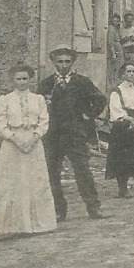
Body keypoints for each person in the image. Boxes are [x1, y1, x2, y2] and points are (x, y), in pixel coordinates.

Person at [0, 63, 57, 236]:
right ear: (13, 80)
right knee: (12, 181)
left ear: (30, 79)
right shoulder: (5, 100)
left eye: (25, 78)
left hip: (34, 142)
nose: (22, 82)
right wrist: (15, 140)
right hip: (12, 144)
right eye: (18, 79)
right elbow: (0, 124)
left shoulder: (38, 99)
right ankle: (10, 226)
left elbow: (44, 121)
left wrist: (34, 138)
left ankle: (40, 224)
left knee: (35, 180)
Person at [38, 45, 107, 221]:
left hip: (76, 134)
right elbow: (36, 109)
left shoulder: (82, 82)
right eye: (60, 61)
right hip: (53, 135)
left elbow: (100, 100)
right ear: (53, 62)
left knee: (83, 171)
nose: (63, 65)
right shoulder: (46, 84)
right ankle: (58, 210)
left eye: (67, 62)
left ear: (72, 63)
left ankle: (93, 207)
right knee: (52, 173)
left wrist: (88, 115)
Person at [105, 61, 134, 198]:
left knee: (130, 157)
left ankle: (126, 184)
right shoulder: (117, 90)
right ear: (122, 74)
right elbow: (115, 108)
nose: (131, 74)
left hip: (133, 127)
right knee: (120, 158)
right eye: (129, 71)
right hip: (121, 127)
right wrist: (128, 119)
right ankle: (121, 187)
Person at [106, 13, 124, 90]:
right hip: (115, 50)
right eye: (115, 21)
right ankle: (112, 85)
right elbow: (110, 42)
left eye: (118, 21)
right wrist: (113, 53)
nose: (116, 22)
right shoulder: (111, 28)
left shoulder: (117, 29)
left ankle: (116, 83)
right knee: (113, 68)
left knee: (118, 67)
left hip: (118, 49)